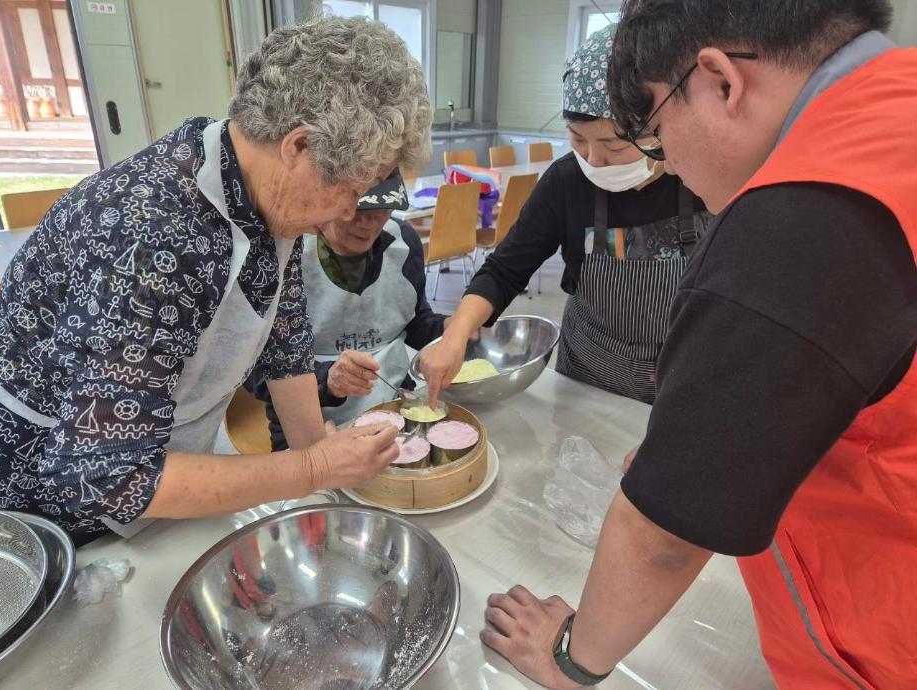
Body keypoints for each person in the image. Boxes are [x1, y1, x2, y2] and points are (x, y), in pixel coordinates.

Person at [479, 1, 917, 688]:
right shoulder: (899, 105)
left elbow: (664, 538)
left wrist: (572, 659)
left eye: (653, 134)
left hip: (881, 636)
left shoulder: (804, 215)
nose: (670, 166)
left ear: (718, 81)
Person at [0, 16, 433, 545]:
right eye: (354, 190)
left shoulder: (260, 185)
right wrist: (313, 469)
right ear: (298, 148)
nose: (351, 211)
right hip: (56, 516)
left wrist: (318, 453)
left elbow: (284, 336)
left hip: (169, 467)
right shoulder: (154, 236)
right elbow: (105, 475)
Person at [420, 25, 712, 408]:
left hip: (682, 381)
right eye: (578, 139)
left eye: (613, 144)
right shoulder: (567, 181)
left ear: (658, 129)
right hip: (589, 375)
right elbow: (505, 270)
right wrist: (456, 333)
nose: (593, 159)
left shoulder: (704, 177)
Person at [246, 169, 447, 448]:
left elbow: (412, 322)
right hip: (311, 419)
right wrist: (326, 380)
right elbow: (249, 370)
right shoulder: (284, 251)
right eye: (357, 209)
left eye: (382, 210)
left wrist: (450, 331)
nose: (368, 223)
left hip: (395, 405)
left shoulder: (403, 242)